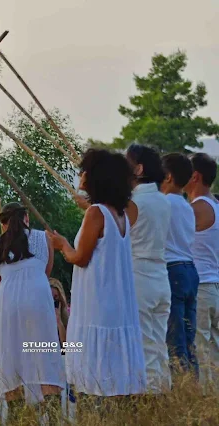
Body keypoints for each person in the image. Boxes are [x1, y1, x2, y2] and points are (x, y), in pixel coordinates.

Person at [48, 148, 147, 398]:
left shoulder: (96, 213)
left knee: (95, 372)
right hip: (116, 300)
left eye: (85, 170)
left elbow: (80, 258)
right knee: (113, 369)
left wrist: (62, 246)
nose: (81, 174)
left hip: (97, 301)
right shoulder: (119, 213)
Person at [0, 202, 64, 421]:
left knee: (12, 356)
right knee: (45, 355)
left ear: (3, 223)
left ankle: (18, 418)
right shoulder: (44, 238)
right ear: (26, 218)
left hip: (9, 301)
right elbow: (46, 270)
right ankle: (55, 417)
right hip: (38, 297)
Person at [125, 144, 172, 393]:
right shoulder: (164, 201)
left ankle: (150, 402)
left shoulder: (133, 202)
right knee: (158, 344)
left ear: (139, 169)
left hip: (139, 276)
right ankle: (164, 394)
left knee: (143, 345)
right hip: (160, 276)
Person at [161, 153, 200, 376]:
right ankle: (192, 384)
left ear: (167, 176)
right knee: (188, 337)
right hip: (189, 269)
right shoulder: (187, 205)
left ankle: (179, 386)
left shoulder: (164, 204)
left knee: (174, 339)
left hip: (171, 269)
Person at [185, 153, 219, 392]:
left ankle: (206, 407)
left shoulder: (196, 208)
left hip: (201, 288)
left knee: (201, 350)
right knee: (214, 352)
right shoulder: (216, 205)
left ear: (194, 176)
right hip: (215, 285)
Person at [49, 278, 69, 344]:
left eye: (55, 297)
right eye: (49, 298)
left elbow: (66, 345)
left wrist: (59, 322)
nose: (53, 302)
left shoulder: (67, 317)